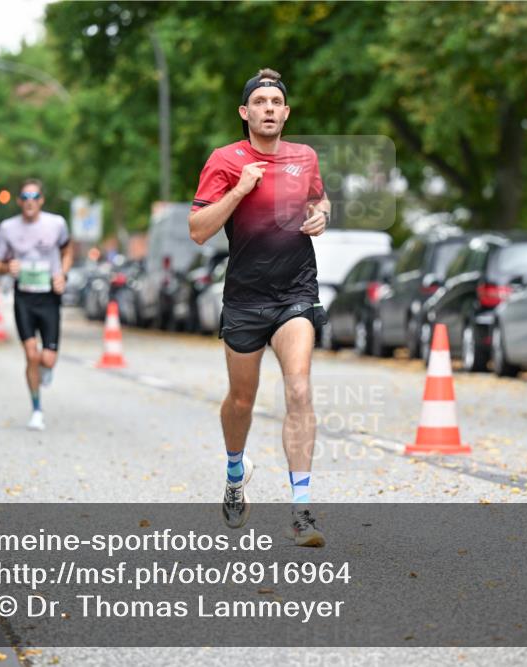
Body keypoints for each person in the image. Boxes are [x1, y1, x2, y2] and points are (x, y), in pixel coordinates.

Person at [188, 68, 331, 547]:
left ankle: (302, 510)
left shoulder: (304, 157)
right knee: (242, 401)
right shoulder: (225, 160)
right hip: (245, 296)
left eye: (277, 102)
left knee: (299, 387)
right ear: (245, 112)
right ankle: (234, 473)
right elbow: (198, 229)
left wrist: (322, 213)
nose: (269, 108)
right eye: (261, 102)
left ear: (286, 113)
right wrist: (239, 190)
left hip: (295, 291)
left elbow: (318, 197)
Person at [0, 178, 73, 431]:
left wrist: (63, 275)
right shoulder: (7, 228)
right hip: (24, 296)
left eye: (34, 197)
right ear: (18, 202)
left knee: (47, 359)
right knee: (30, 355)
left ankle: (46, 368)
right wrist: (7, 267)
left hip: (49, 297)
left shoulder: (56, 223)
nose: (29, 202)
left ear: (41, 200)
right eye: (24, 198)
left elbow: (67, 250)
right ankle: (37, 409)